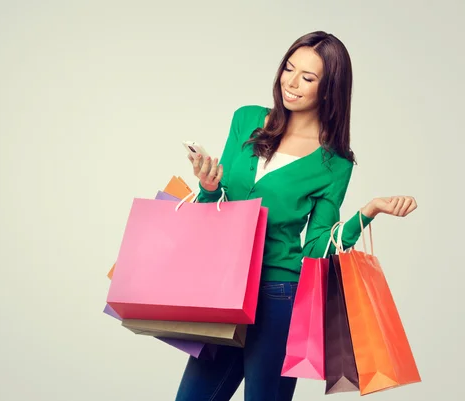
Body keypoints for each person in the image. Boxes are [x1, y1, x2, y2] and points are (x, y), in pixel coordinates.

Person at [175, 31, 418, 401]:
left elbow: (317, 245)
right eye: (289, 68)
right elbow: (216, 213)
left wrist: (367, 212)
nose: (291, 82)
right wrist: (209, 188)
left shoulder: (334, 162)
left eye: (308, 77)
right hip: (225, 288)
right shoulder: (247, 120)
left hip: (278, 293)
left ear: (329, 89)